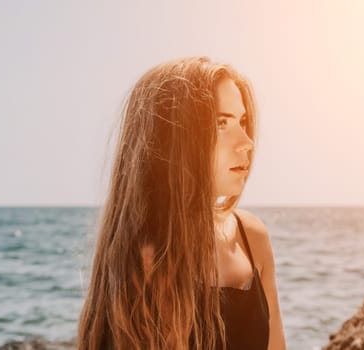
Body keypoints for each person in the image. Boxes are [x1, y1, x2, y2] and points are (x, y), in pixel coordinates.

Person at [77, 57, 286, 350]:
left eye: (243, 122)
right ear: (174, 138)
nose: (246, 142)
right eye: (221, 123)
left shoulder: (252, 237)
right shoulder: (146, 258)